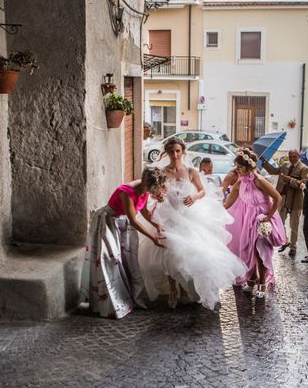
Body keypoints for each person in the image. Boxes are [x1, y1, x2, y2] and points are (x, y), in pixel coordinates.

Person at [139, 137, 246, 310]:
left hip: (190, 216)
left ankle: (187, 288)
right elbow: (154, 192)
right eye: (172, 151)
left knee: (192, 254)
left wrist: (194, 197)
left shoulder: (190, 171)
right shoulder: (162, 172)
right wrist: (158, 196)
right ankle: (173, 289)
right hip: (169, 216)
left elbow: (202, 190)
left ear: (183, 152)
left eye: (178, 151)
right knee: (170, 253)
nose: (175, 154)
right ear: (167, 152)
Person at [81, 167, 168, 319]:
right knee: (110, 260)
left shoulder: (145, 189)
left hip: (122, 223)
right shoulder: (127, 192)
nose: (153, 192)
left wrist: (156, 225)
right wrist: (152, 237)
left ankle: (130, 298)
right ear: (147, 182)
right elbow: (134, 220)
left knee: (128, 261)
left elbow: (143, 211)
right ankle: (109, 302)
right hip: (108, 221)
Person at [225, 147, 285, 299]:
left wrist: (268, 217)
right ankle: (252, 280)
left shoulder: (260, 181)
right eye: (236, 167)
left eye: (239, 167)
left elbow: (278, 198)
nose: (237, 170)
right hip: (247, 221)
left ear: (249, 166)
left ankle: (262, 283)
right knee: (249, 250)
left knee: (260, 251)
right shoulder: (239, 184)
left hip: (261, 220)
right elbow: (227, 204)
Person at [261, 149, 308, 256]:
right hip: (282, 198)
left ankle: (293, 247)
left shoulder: (304, 168)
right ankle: (285, 241)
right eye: (290, 156)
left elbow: (302, 184)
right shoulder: (285, 165)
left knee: (294, 225)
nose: (292, 158)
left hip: (295, 200)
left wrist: (290, 180)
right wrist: (264, 162)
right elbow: (273, 171)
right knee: (280, 222)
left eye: (294, 156)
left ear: (299, 156)